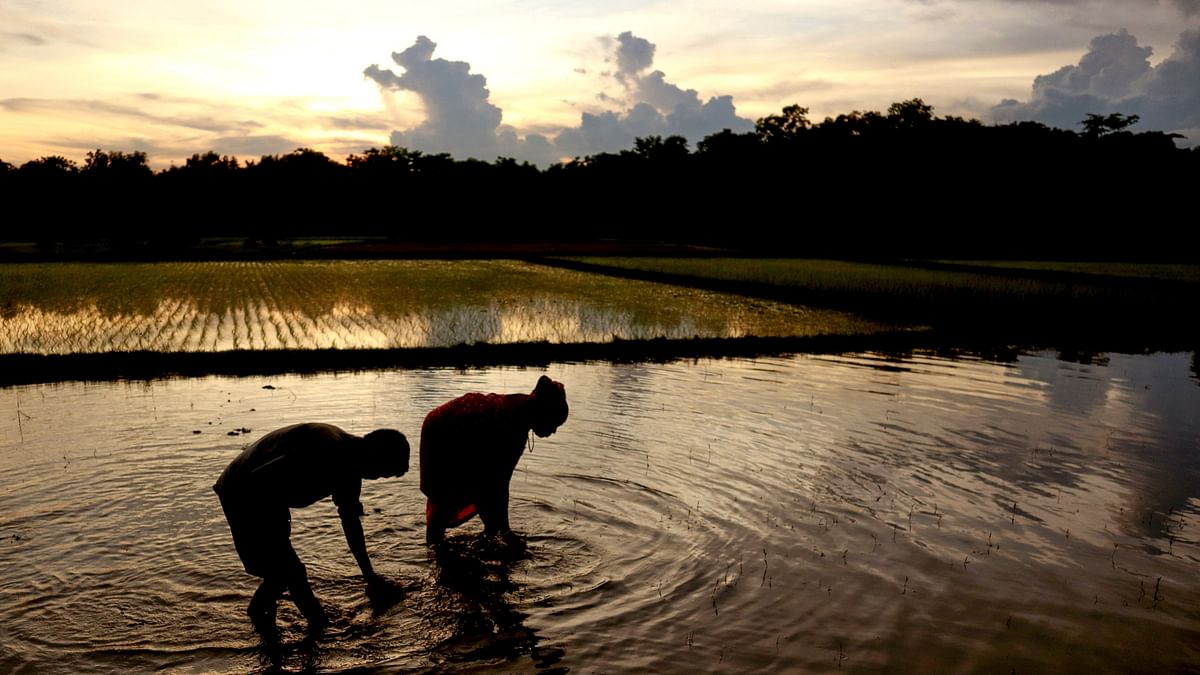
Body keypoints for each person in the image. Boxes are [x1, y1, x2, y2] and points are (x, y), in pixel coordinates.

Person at [213, 422, 409, 630]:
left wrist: (369, 576)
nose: (375, 478)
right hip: (241, 489)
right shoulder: (325, 448)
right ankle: (318, 627)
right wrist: (276, 531)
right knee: (292, 571)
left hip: (268, 496)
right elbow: (259, 480)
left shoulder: (351, 470)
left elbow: (351, 526)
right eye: (380, 472)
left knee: (280, 573)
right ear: (375, 454)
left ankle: (260, 617)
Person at [420, 375, 568, 546]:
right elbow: (496, 483)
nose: (554, 431)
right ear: (543, 414)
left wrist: (501, 529)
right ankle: (434, 549)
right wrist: (505, 531)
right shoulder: (510, 426)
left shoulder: (523, 411)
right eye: (554, 423)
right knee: (444, 498)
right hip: (443, 431)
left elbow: (496, 482)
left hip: (462, 430)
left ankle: (487, 535)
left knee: (482, 489)